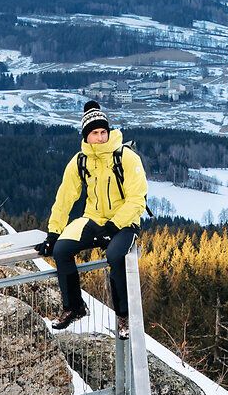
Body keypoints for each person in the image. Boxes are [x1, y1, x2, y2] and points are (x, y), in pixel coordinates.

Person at [37, 99, 147, 334]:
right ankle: (74, 307)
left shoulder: (126, 158)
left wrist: (113, 226)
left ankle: (124, 316)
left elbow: (137, 199)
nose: (100, 137)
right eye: (94, 133)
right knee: (61, 250)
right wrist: (54, 232)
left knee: (115, 256)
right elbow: (64, 197)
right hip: (93, 218)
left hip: (125, 222)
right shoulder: (80, 161)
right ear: (86, 136)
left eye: (103, 132)